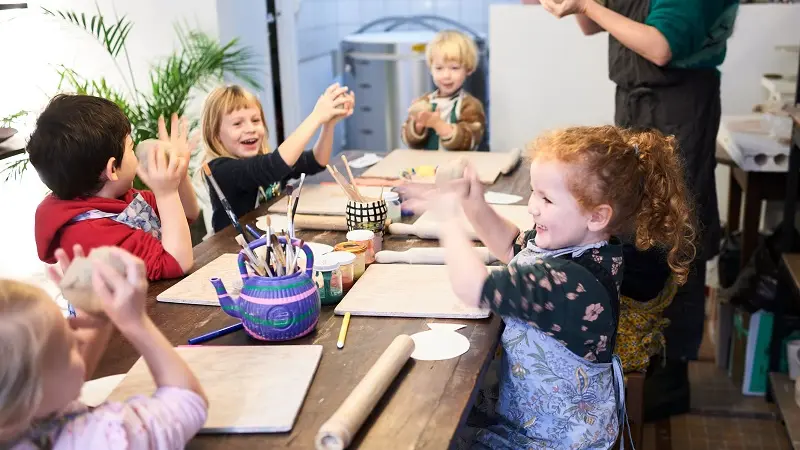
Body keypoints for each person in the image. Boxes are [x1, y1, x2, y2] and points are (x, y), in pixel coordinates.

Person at [407, 125, 695, 448]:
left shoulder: (575, 286)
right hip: (530, 421)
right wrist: (475, 205)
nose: (532, 206)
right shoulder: (583, 245)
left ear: (597, 216)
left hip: (551, 441)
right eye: (534, 192)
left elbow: (475, 286)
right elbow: (512, 248)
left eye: (546, 199)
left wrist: (448, 221)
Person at [538, 0, 739, 419]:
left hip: (677, 107)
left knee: (676, 227)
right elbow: (590, 27)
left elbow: (661, 46)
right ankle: (636, 356)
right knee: (632, 224)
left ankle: (668, 376)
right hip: (634, 101)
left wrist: (587, 3)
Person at [0, 246, 208, 449]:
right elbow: (187, 401)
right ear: (28, 398)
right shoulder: (96, 440)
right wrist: (136, 323)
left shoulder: (20, 417)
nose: (80, 337)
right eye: (69, 347)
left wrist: (95, 312)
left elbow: (64, 384)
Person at [29, 94, 199, 281]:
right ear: (112, 169)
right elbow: (177, 263)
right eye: (130, 148)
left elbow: (187, 213)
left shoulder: (124, 198)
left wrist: (179, 175)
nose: (135, 155)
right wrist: (166, 194)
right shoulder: (89, 232)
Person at [201, 84, 355, 233]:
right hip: (232, 251)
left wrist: (328, 125)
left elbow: (316, 161)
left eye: (255, 120)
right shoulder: (220, 170)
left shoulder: (261, 161)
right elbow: (275, 165)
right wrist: (316, 117)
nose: (250, 129)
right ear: (216, 135)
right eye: (237, 123)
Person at [401, 30, 486, 151]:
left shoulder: (470, 106)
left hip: (458, 167)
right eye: (439, 68)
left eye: (454, 68)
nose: (446, 75)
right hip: (427, 167)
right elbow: (408, 140)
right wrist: (418, 125)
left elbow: (469, 141)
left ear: (468, 69)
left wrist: (438, 124)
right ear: (431, 69)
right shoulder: (425, 101)